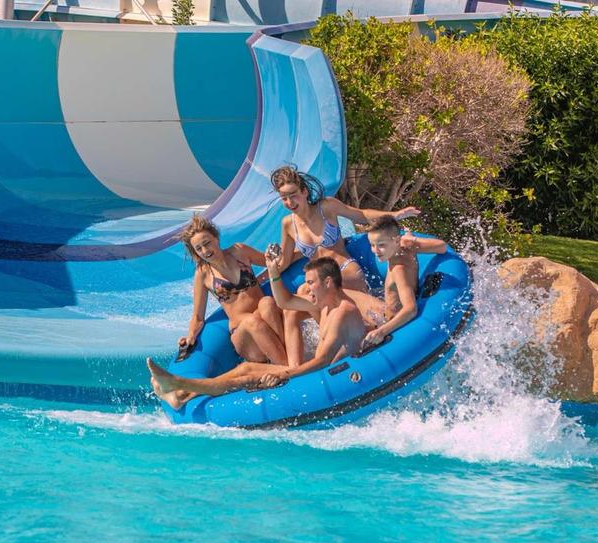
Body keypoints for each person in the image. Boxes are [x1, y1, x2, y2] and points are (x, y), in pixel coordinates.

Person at [148, 257, 367, 410]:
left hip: (329, 376)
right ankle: (182, 392)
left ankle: (179, 384)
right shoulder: (325, 303)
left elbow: (322, 362)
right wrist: (272, 271)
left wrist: (284, 374)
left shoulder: (341, 312)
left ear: (328, 282)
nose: (307, 288)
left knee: (249, 375)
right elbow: (285, 302)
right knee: (245, 367)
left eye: (310, 283)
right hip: (317, 369)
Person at [269, 166, 421, 365]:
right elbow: (286, 261)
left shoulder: (326, 207)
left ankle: (370, 339)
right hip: (320, 280)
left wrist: (394, 215)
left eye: (293, 195)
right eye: (284, 198)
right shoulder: (288, 224)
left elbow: (361, 214)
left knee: (357, 318)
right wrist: (271, 266)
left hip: (345, 270)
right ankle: (294, 369)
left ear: (304, 191)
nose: (289, 202)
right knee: (292, 307)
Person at [177, 214, 287, 365]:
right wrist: (190, 336)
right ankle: (287, 368)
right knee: (252, 321)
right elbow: (197, 317)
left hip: (264, 317)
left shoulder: (239, 251)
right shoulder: (202, 274)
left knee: (267, 303)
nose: (205, 250)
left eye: (207, 243)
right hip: (243, 331)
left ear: (216, 238)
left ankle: (285, 359)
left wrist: (302, 250)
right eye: (198, 249)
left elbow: (274, 264)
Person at [349, 215, 448, 349]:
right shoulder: (407, 246)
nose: (375, 251)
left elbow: (411, 309)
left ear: (396, 240)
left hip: (389, 321)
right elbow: (442, 246)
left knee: (338, 295)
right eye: (372, 245)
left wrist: (381, 331)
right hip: (387, 310)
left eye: (381, 245)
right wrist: (412, 239)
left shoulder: (398, 269)